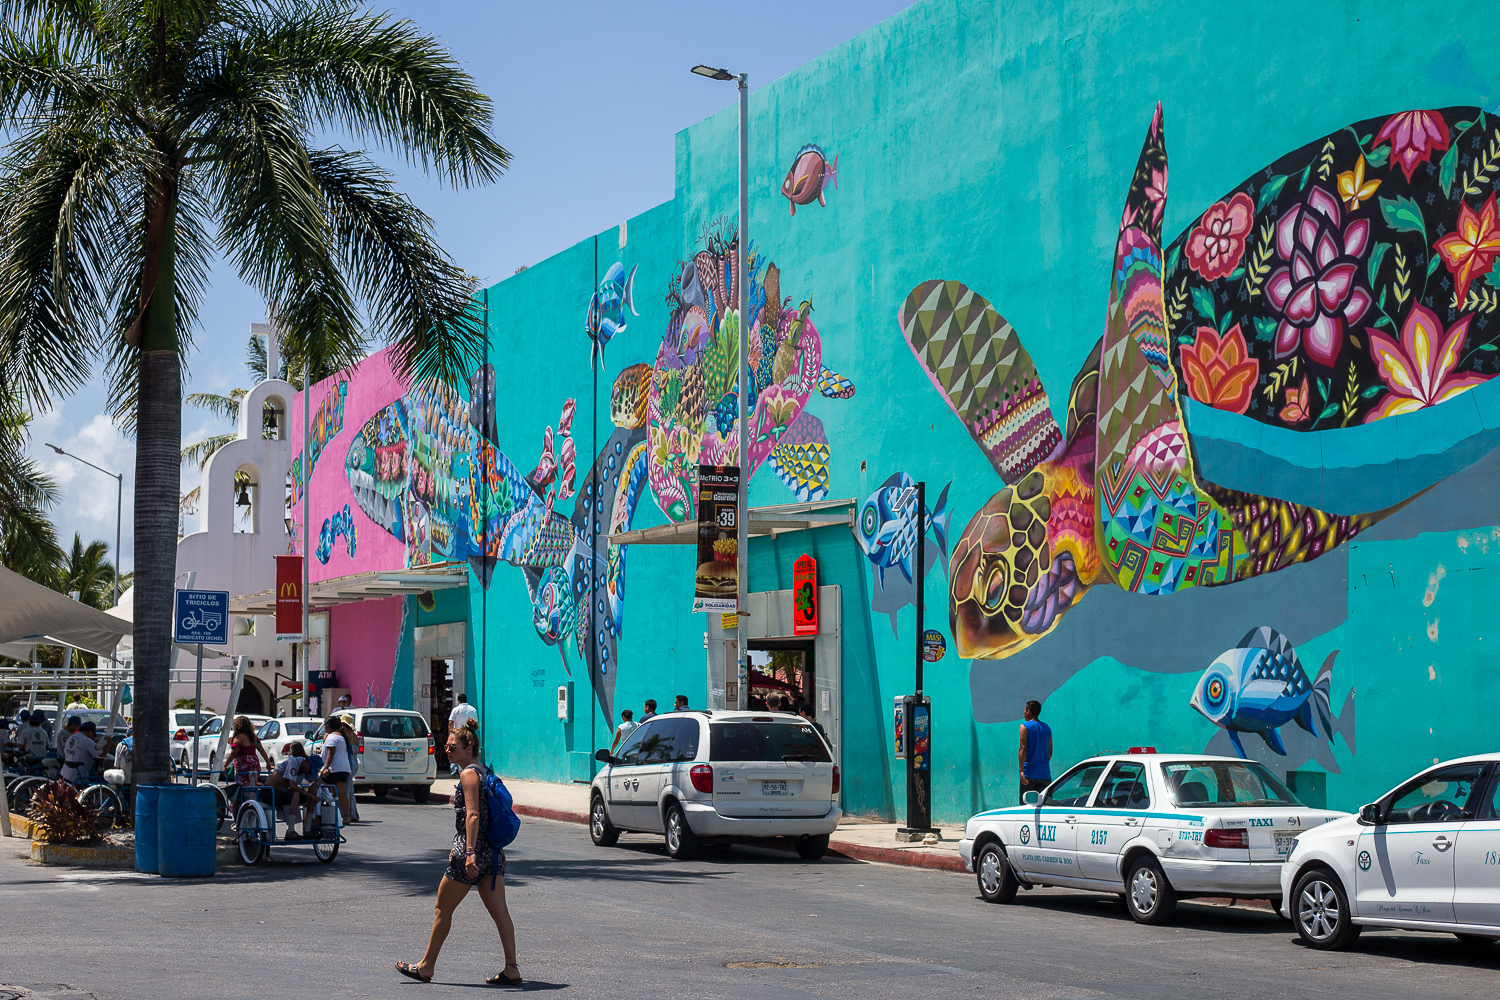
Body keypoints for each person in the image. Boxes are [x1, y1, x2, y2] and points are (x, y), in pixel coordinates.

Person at [396, 719, 520, 986]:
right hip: (494, 854)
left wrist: (469, 853)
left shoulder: (468, 774)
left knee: (443, 907)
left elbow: (473, 815)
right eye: (446, 746)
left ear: (469, 747)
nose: (447, 751)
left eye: (452, 747)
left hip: (473, 853)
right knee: (501, 913)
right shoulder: (484, 771)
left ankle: (426, 966)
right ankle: (512, 968)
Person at [268, 744, 320, 838]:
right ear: (307, 763)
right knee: (296, 794)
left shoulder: (305, 768)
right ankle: (290, 831)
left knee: (313, 792)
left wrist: (315, 786)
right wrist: (310, 795)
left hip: (285, 793)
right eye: (310, 770)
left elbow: (315, 780)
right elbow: (292, 786)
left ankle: (307, 829)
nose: (309, 773)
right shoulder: (293, 762)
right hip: (271, 791)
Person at [320, 715, 355, 823]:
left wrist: (325, 768)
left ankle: (320, 814)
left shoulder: (332, 737)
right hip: (343, 769)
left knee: (316, 785)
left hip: (333, 769)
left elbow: (331, 753)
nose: (324, 727)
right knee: (341, 793)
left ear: (329, 726)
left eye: (325, 725)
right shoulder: (341, 737)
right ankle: (345, 816)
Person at [1018, 700, 1053, 804]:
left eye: (1024, 710)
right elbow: (1049, 752)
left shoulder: (1024, 727)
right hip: (1045, 774)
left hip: (1028, 774)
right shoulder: (1047, 728)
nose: (1024, 713)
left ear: (1028, 711)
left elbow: (1022, 748)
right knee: (1045, 806)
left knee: (1026, 807)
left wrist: (1021, 770)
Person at [224, 715, 274, 786]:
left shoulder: (239, 737)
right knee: (253, 783)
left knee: (242, 784)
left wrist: (225, 765)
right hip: (254, 763)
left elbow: (234, 753)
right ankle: (253, 796)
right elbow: (261, 750)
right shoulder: (253, 737)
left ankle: (244, 797)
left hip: (243, 763)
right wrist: (268, 763)